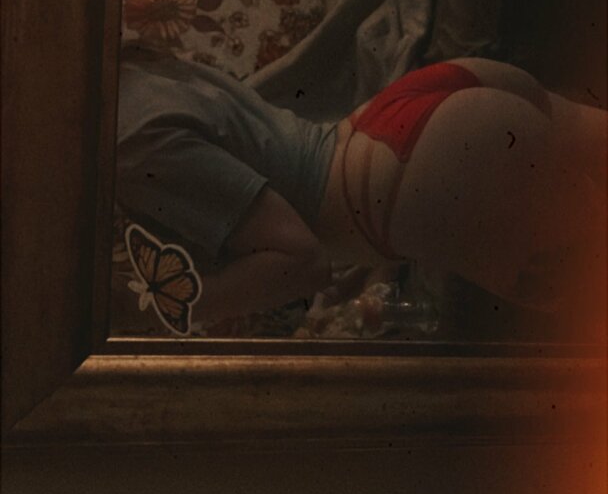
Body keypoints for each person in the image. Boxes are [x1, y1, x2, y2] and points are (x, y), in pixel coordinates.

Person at [116, 44, 606, 331]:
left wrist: (173, 308)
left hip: (408, 179)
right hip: (404, 117)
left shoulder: (128, 143)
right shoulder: (129, 68)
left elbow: (302, 260)